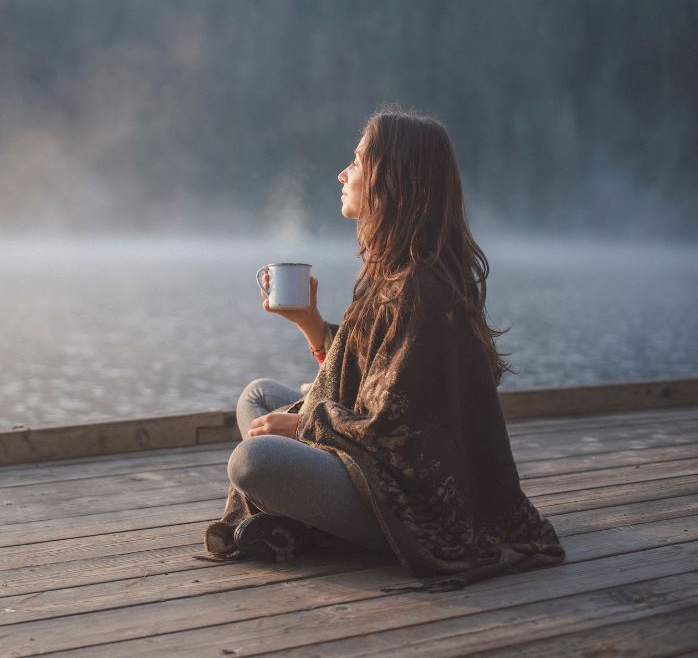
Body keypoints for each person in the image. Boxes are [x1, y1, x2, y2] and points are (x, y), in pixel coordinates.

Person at [200, 105, 566, 592]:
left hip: (411, 503)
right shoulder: (392, 271)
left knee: (254, 462)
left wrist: (305, 423)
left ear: (391, 178)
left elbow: (398, 430)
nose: (342, 172)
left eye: (356, 160)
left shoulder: (421, 287)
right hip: (373, 465)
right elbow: (370, 375)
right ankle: (303, 515)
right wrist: (310, 323)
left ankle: (315, 524)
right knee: (260, 397)